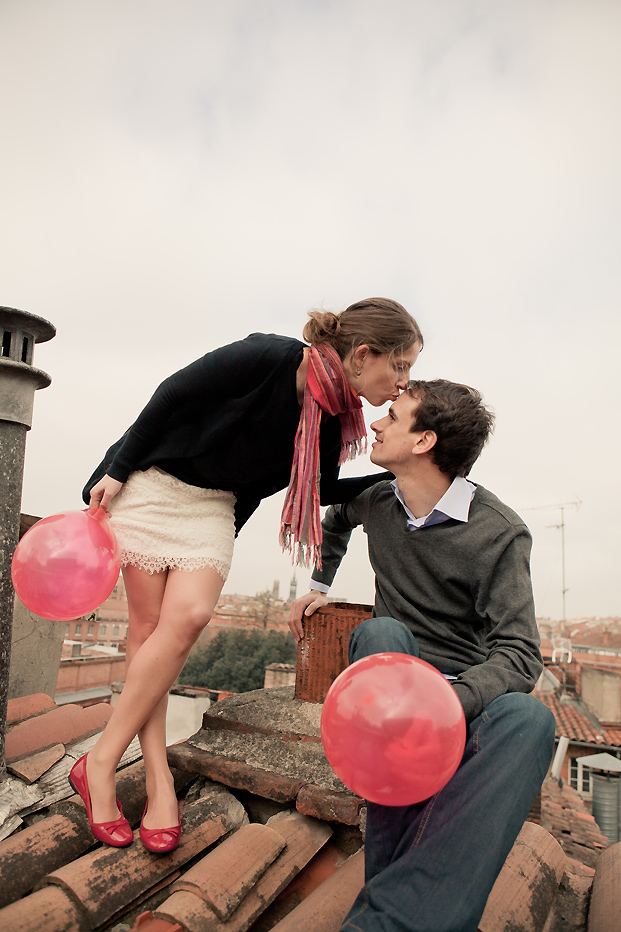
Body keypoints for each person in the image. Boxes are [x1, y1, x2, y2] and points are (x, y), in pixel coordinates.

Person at [70, 298, 423, 853]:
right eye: (400, 366)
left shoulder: (332, 417)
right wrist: (117, 471)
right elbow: (170, 395)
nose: (404, 382)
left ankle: (99, 761)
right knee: (148, 634)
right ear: (363, 354)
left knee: (186, 618)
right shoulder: (267, 357)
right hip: (154, 483)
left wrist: (393, 480)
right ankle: (155, 775)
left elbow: (323, 488)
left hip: (213, 508)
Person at [288, 379, 556, 932]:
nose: (378, 422)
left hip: (461, 690)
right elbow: (333, 519)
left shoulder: (500, 532)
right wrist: (319, 582)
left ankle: (388, 911)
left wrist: (452, 700)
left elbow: (521, 653)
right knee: (384, 633)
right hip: (394, 673)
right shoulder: (376, 498)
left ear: (424, 441)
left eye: (393, 415)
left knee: (531, 719)